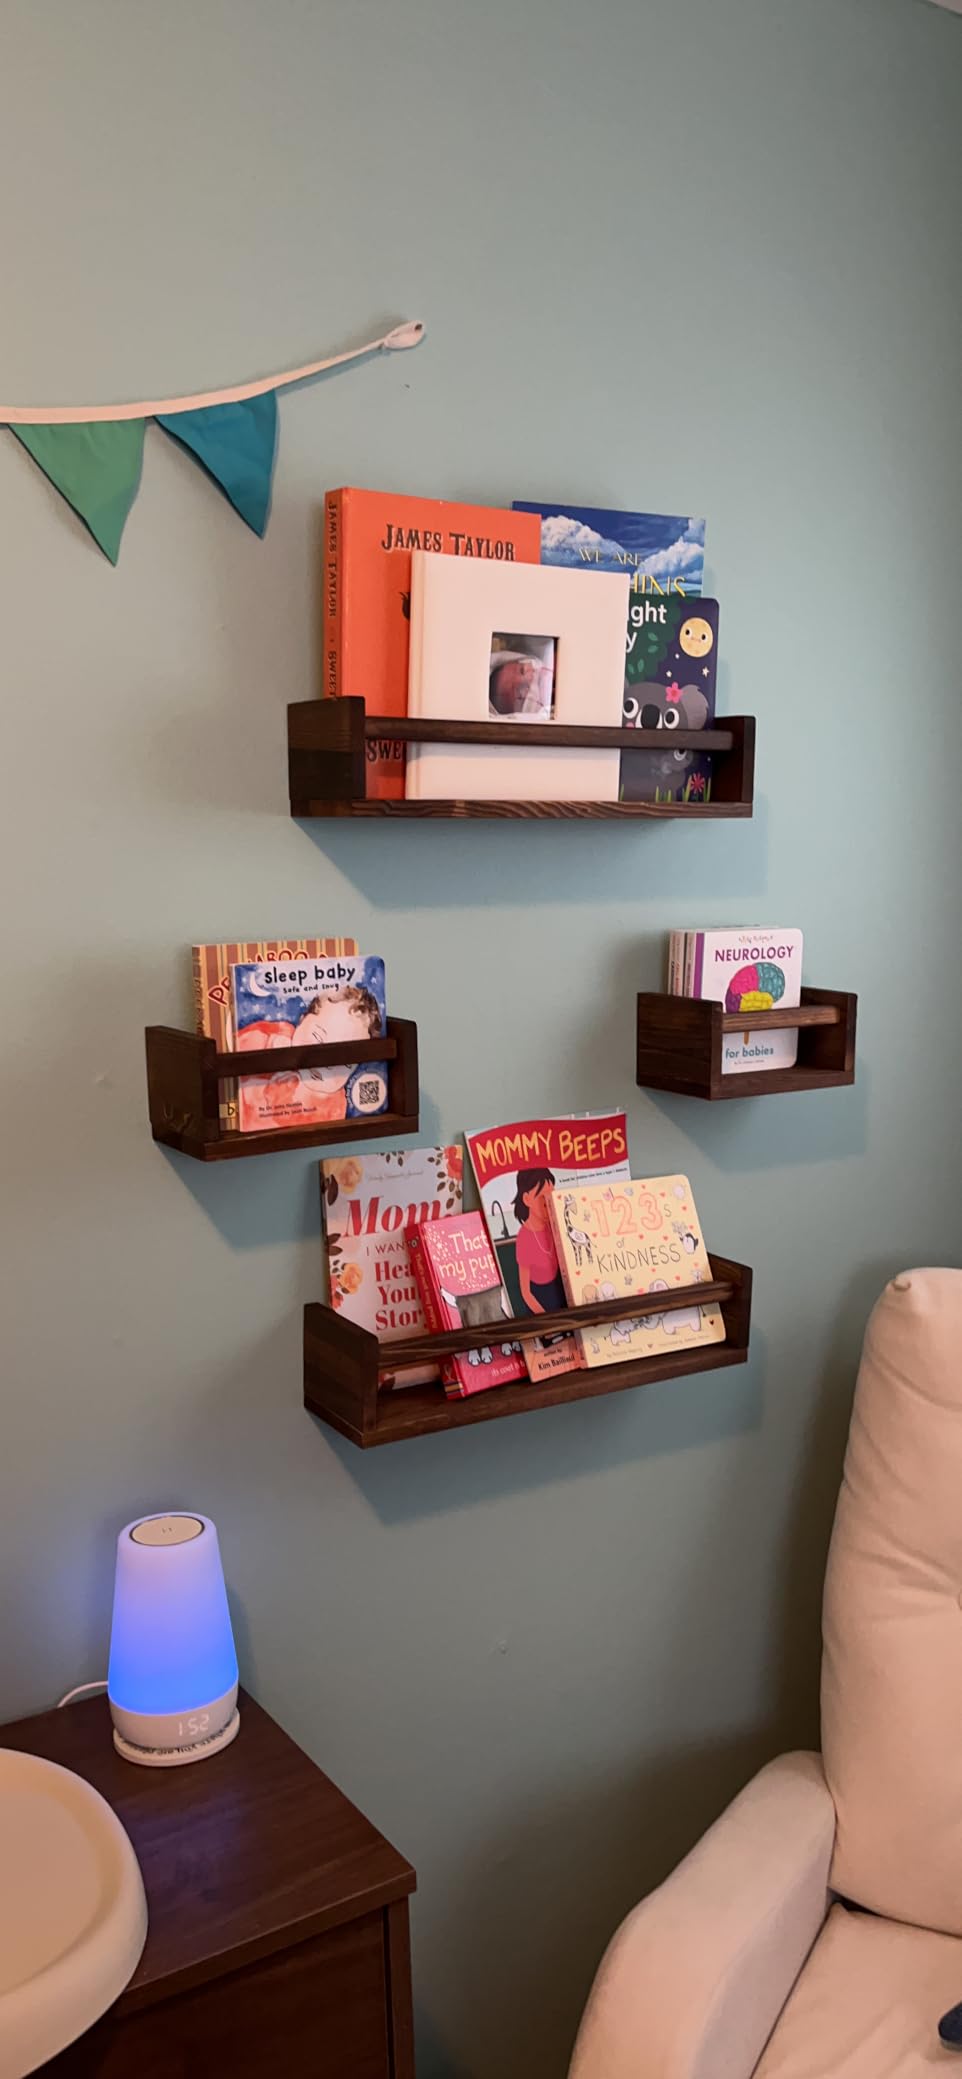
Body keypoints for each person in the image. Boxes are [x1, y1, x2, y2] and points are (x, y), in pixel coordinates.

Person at [513, 1167, 567, 1313]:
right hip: (540, 1304)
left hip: (563, 1298)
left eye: (552, 1196)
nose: (549, 1202)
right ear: (526, 1199)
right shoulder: (524, 1238)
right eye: (543, 1198)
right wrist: (548, 1320)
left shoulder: (554, 1226)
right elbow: (526, 1292)